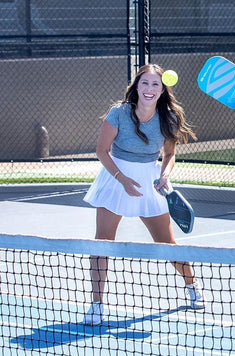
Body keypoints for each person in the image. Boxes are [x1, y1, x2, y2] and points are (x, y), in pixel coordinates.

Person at [82, 64, 205, 325]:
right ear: (137, 86)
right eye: (145, 84)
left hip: (149, 180)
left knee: (166, 243)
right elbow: (102, 151)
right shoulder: (118, 113)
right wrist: (122, 179)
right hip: (116, 176)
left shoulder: (168, 117)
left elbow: (170, 155)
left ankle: (193, 287)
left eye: (155, 85)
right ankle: (96, 305)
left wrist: (165, 175)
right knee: (102, 242)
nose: (149, 89)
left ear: (162, 90)